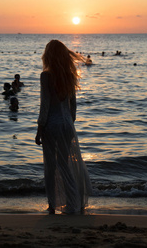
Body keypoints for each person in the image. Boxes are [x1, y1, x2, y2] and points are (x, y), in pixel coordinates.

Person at [35, 40, 91, 214]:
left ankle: (52, 205)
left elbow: (45, 106)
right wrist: (69, 124)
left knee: (51, 167)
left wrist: (39, 129)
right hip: (67, 124)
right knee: (65, 164)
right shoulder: (69, 75)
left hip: (52, 125)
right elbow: (73, 106)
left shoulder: (46, 76)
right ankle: (75, 203)